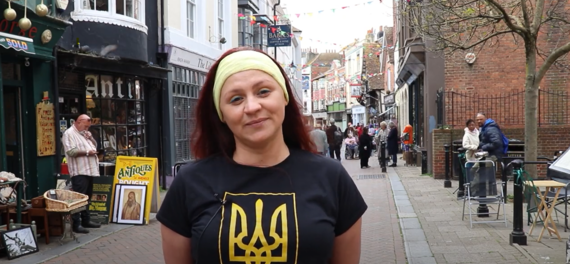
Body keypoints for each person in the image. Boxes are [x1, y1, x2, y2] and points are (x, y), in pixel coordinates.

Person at [157, 48, 367, 264]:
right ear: (221, 113)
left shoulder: (331, 178)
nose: (252, 107)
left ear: (284, 96)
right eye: (236, 99)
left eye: (263, 91)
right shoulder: (190, 182)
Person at [61, 114, 102, 234]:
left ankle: (86, 220)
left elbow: (94, 147)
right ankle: (76, 224)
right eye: (85, 126)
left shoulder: (83, 133)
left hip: (90, 170)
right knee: (79, 198)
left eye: (88, 127)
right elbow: (71, 152)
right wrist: (87, 153)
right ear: (78, 122)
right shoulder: (69, 134)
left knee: (87, 197)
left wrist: (90, 138)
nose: (87, 129)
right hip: (79, 171)